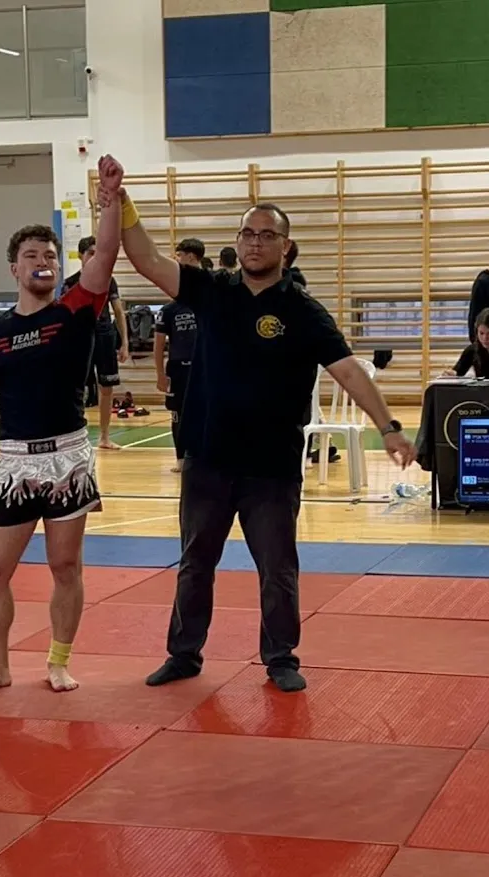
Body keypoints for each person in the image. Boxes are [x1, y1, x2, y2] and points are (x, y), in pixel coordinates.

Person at [104, 165, 416, 693]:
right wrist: (121, 201)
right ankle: (184, 654)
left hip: (271, 466)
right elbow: (147, 260)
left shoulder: (303, 310)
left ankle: (280, 658)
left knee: (277, 569)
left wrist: (387, 426)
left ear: (285, 247)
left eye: (266, 235)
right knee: (195, 563)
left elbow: (347, 370)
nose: (254, 243)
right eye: (247, 233)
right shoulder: (211, 290)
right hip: (208, 458)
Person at [0, 155, 123, 695]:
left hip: (67, 458)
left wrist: (109, 200)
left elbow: (106, 253)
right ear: (14, 268)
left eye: (50, 255)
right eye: (31, 255)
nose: (42, 262)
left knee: (64, 566)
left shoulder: (76, 310)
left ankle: (58, 660)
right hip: (13, 461)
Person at [62, 236, 129, 450]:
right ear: (80, 255)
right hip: (79, 337)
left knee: (107, 386)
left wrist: (125, 343)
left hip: (104, 334)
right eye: (90, 253)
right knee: (77, 386)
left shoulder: (108, 280)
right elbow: (63, 315)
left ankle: (104, 436)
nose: (94, 257)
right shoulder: (70, 282)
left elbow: (118, 311)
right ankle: (76, 435)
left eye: (97, 253)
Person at [154, 297, 197, 473]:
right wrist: (160, 374)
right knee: (177, 414)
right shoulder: (168, 310)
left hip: (201, 365)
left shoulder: (202, 305)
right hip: (177, 368)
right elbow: (159, 345)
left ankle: (201, 457)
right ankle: (180, 458)